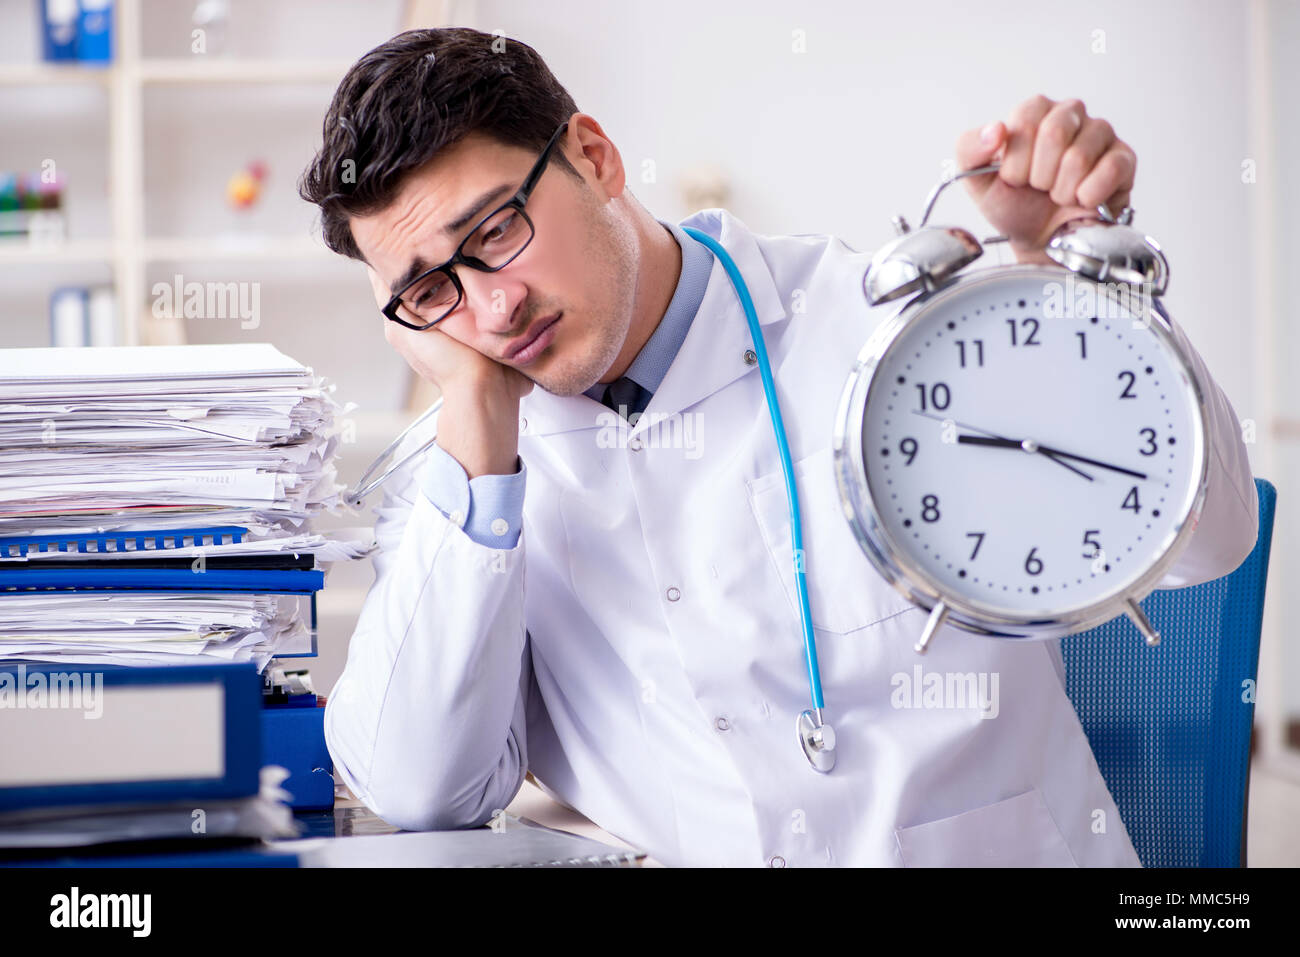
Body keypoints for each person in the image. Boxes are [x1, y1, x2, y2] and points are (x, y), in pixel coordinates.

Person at [298, 27, 1258, 867]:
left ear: (594, 156)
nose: (493, 309)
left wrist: (1072, 293)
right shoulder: (472, 474)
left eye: (498, 230)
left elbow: (1209, 537)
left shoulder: (885, 331)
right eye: (433, 292)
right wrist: (471, 412)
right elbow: (423, 788)